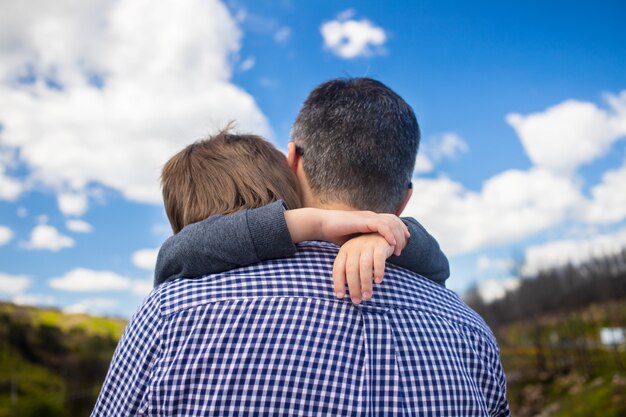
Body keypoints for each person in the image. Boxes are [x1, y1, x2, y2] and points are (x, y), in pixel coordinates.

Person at [92, 78, 510, 416]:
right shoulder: (471, 334)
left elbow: (175, 255)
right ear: (403, 201)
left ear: (292, 162)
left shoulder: (173, 312)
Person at [154, 129, 450, 304]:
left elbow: (174, 253)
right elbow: (439, 269)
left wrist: (378, 235)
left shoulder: (171, 305)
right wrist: (318, 223)